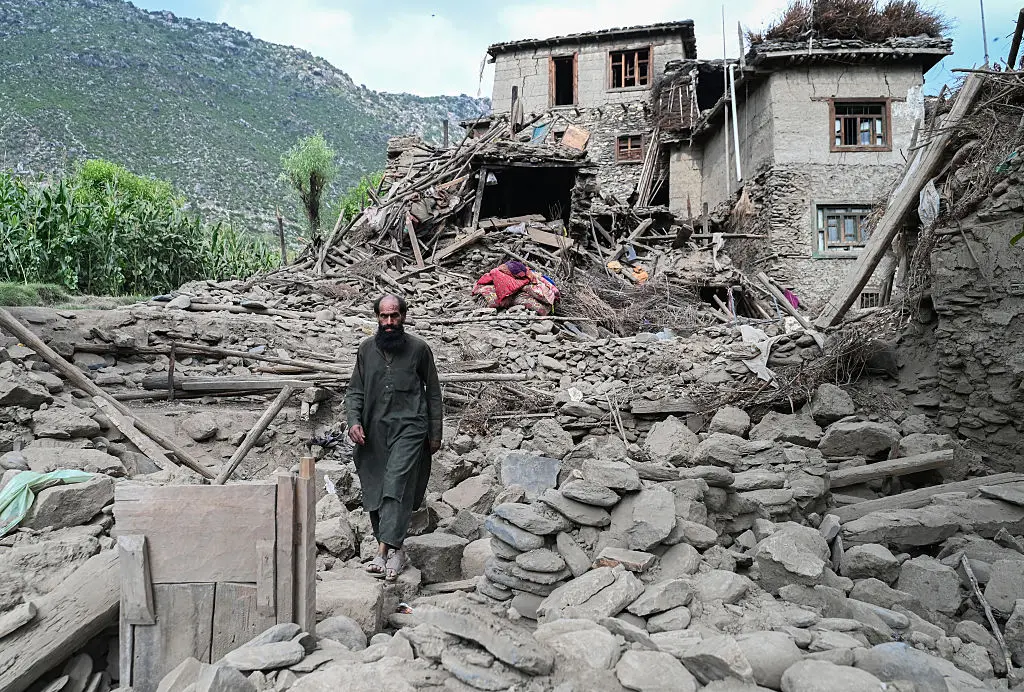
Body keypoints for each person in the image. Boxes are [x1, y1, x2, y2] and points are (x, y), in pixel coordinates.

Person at [345, 294, 442, 580]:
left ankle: (382, 552)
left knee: (397, 483)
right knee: (376, 487)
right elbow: (355, 391)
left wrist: (435, 432)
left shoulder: (419, 349)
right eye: (384, 316)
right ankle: (397, 550)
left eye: (394, 316)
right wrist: (353, 422)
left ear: (404, 316)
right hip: (374, 431)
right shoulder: (366, 350)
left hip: (411, 428)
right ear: (377, 318)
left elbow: (433, 392)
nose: (389, 322)